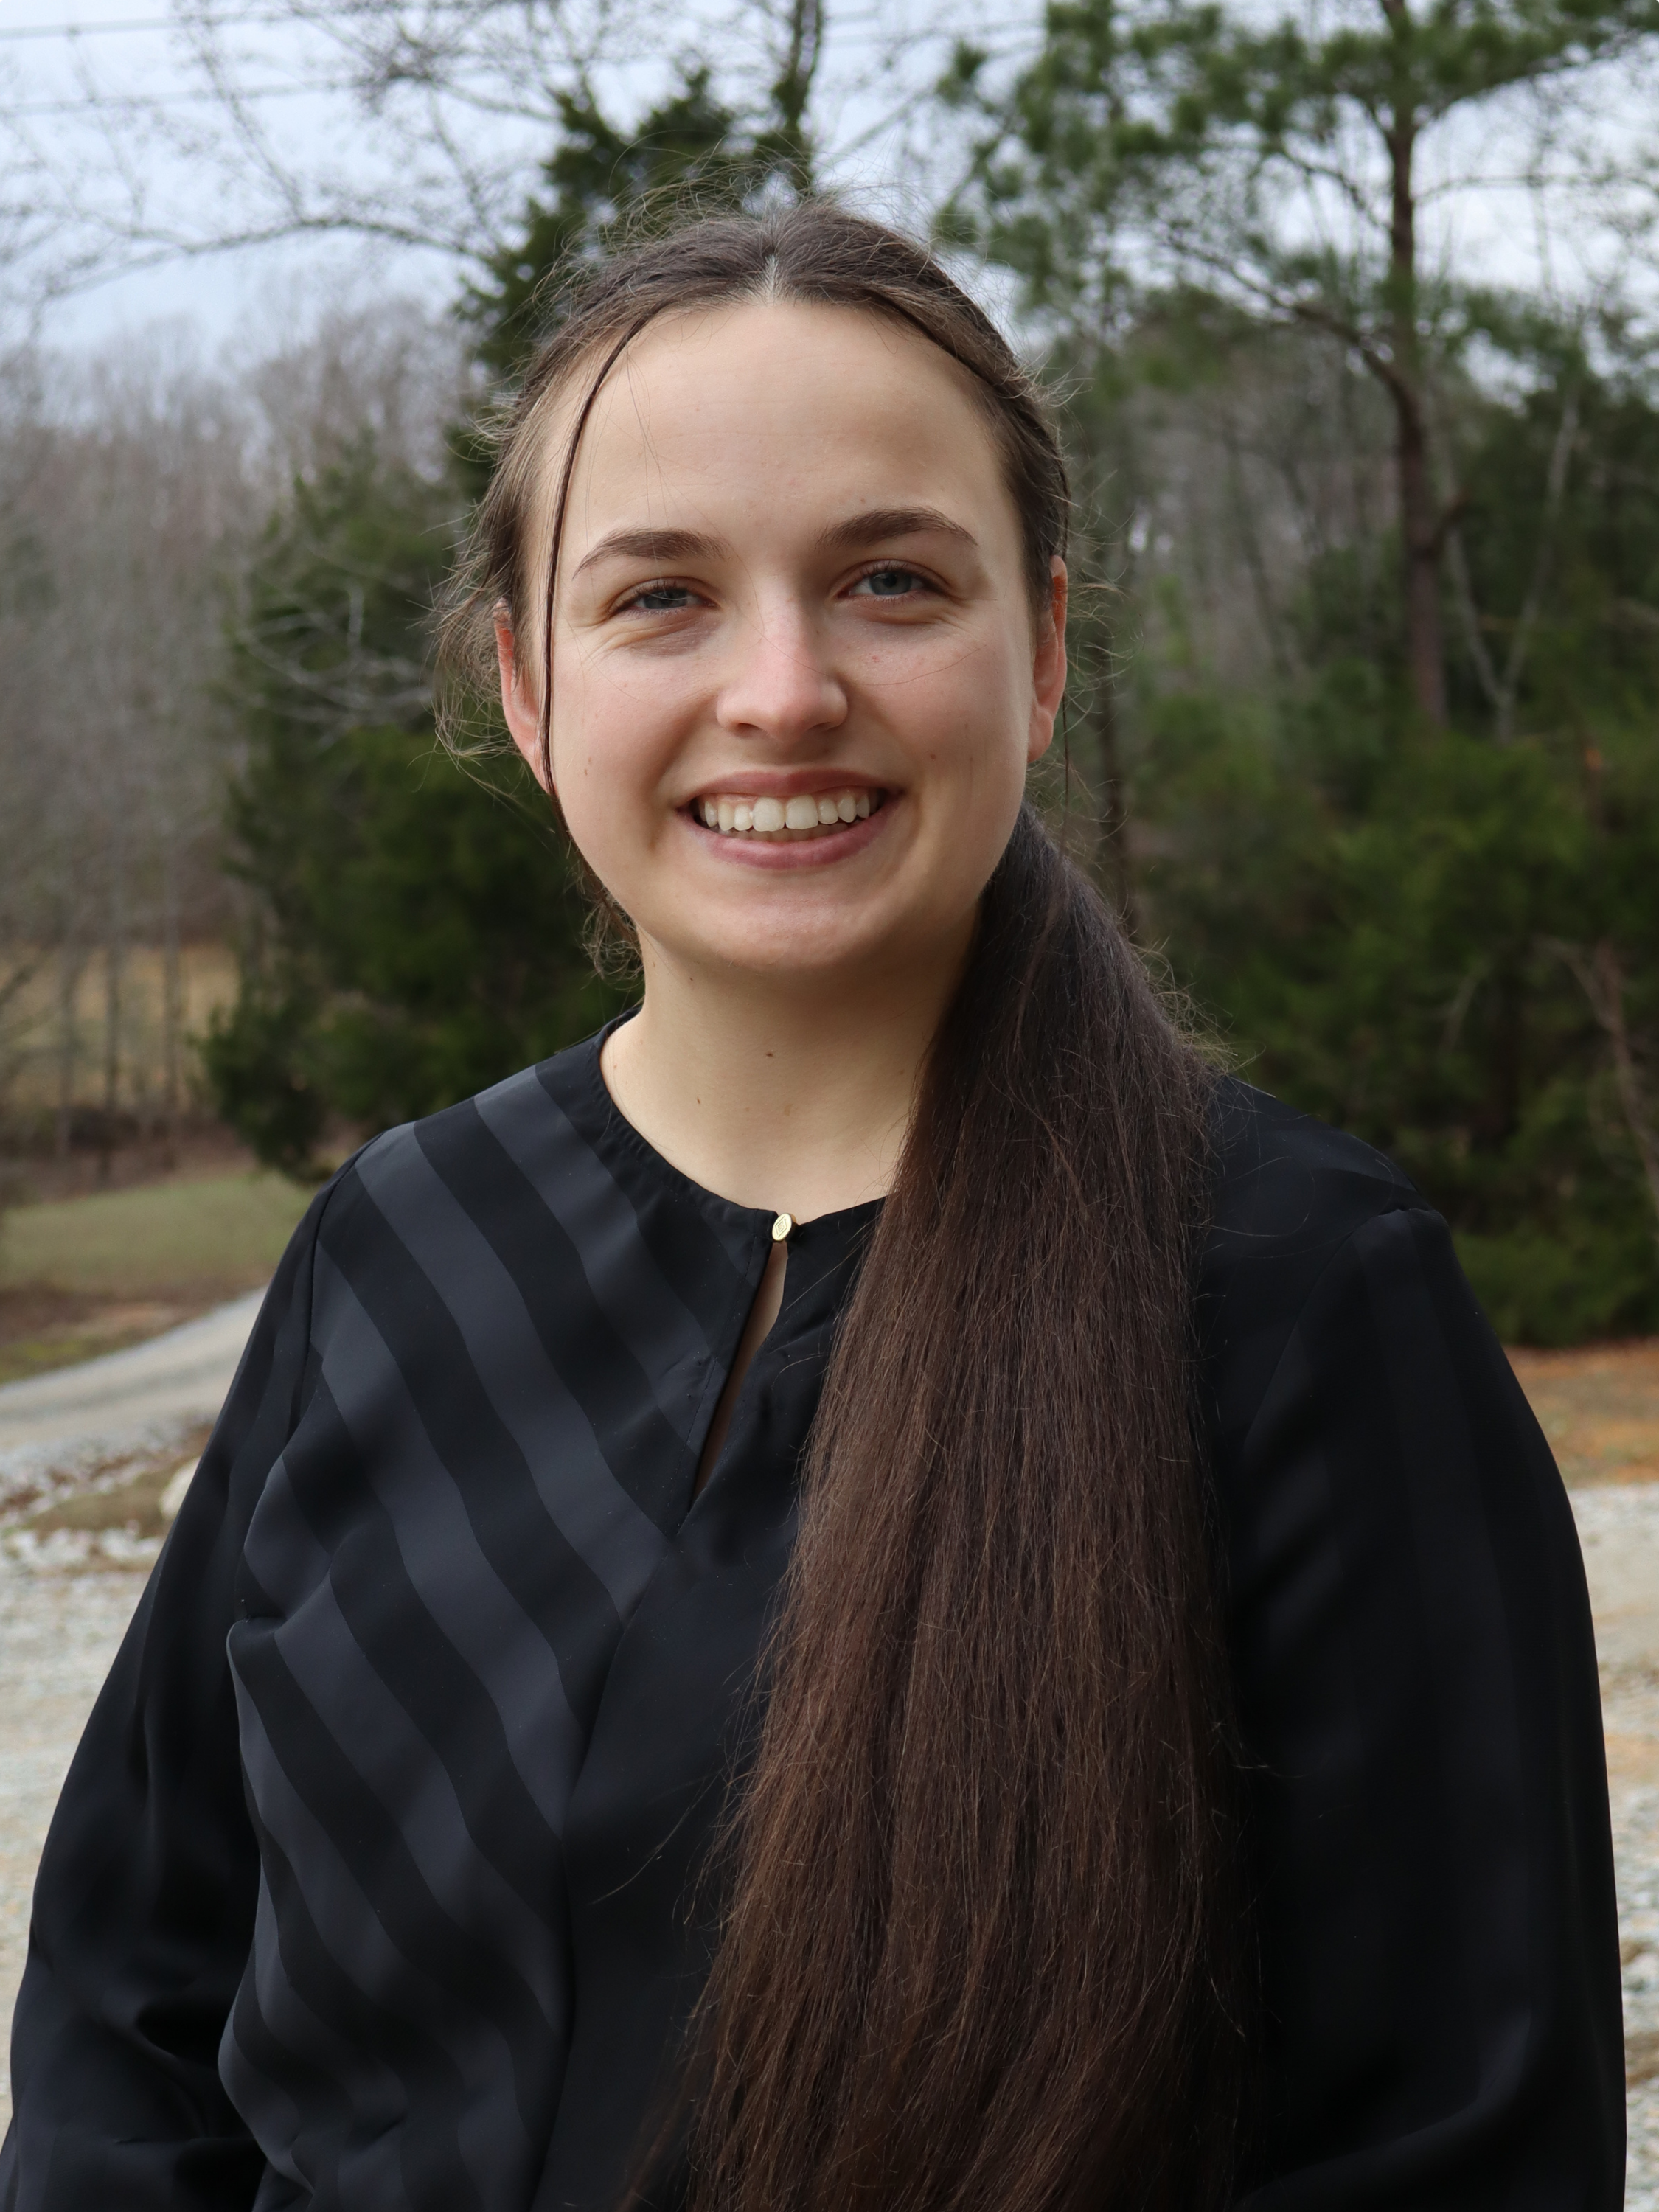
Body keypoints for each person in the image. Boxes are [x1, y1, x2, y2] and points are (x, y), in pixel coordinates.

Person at [1, 204, 1624, 2212]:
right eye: (661, 597)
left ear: (1038, 653)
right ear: (525, 686)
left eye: (886, 580)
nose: (781, 691)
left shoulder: (1296, 1301)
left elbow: (1465, 2150)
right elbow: (123, 2014)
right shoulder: (397, 1255)